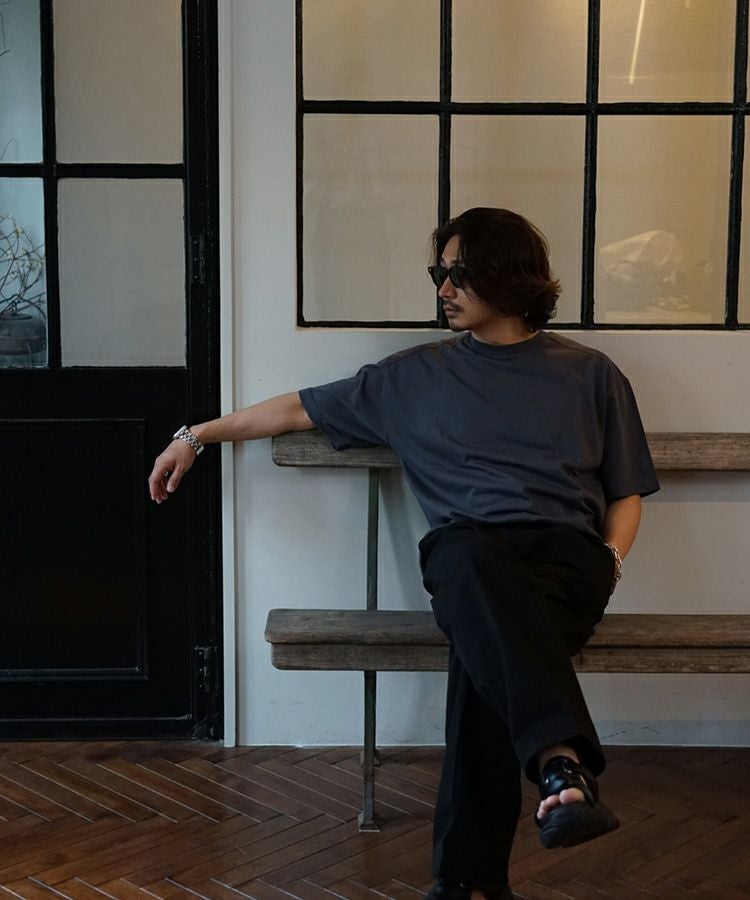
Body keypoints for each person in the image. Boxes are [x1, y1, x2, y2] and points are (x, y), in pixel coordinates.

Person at [148, 208, 659, 900]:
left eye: (459, 273)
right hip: (470, 556)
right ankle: (558, 767)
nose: (443, 289)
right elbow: (295, 410)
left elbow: (626, 492)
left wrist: (611, 562)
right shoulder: (413, 377)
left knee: (483, 647)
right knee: (469, 566)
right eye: (437, 273)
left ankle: (467, 879)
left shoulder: (590, 374)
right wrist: (194, 435)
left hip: (564, 562)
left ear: (508, 274)